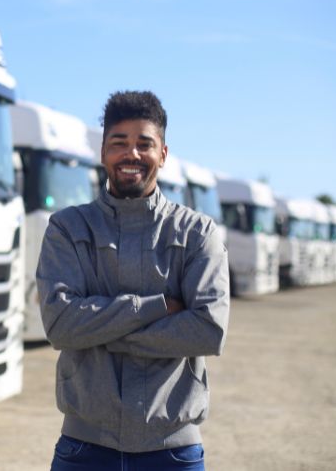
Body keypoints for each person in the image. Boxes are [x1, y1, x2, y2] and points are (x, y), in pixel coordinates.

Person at [36, 90, 230, 470]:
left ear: (163, 154)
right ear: (103, 151)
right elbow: (60, 325)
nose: (132, 154)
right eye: (119, 143)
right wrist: (157, 307)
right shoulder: (67, 228)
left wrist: (99, 331)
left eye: (145, 144)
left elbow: (208, 330)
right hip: (84, 449)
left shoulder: (197, 232)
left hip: (172, 452)